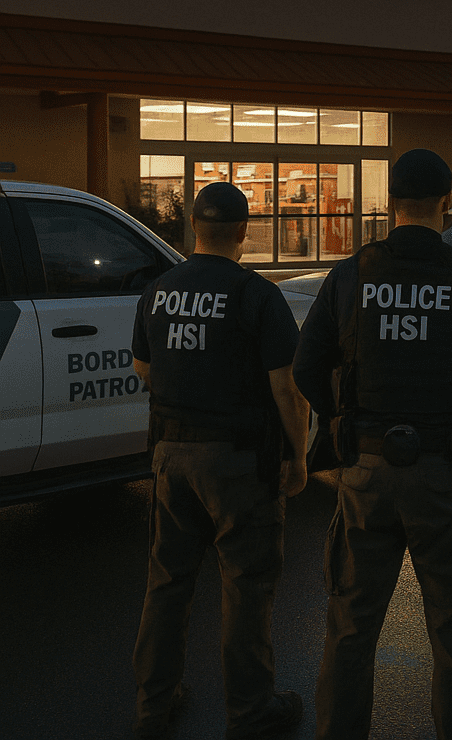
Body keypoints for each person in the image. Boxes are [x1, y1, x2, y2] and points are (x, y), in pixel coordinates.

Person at [292, 149, 452, 740]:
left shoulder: (349, 275)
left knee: (350, 627)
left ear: (391, 203)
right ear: (446, 205)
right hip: (447, 475)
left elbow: (305, 367)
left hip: (366, 474)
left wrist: (337, 420)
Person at [131, 182, 309, 740]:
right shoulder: (258, 295)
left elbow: (143, 368)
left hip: (171, 456)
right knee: (246, 586)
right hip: (238, 464)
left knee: (168, 583)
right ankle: (251, 711)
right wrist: (298, 457)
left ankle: (153, 707)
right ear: (242, 233)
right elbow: (288, 389)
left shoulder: (159, 289)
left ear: (192, 232)